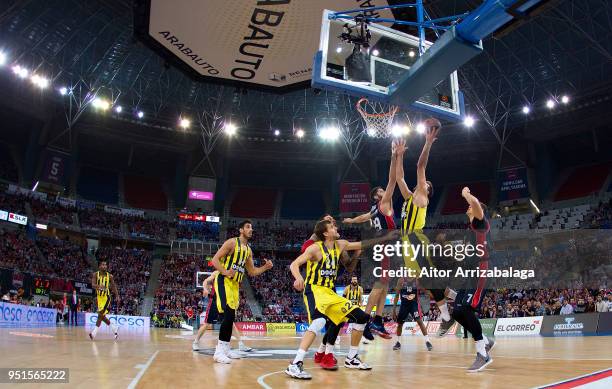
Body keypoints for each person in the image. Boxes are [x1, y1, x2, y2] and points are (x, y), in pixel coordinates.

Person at [285, 219, 396, 380]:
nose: (336, 227)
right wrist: (297, 278)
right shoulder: (315, 248)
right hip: (315, 290)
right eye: (332, 227)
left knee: (362, 317)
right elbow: (294, 264)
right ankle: (295, 364)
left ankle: (351, 358)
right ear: (325, 233)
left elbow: (362, 243)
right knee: (319, 322)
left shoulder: (340, 244)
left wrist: (384, 238)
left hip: (330, 293)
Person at [394, 122, 451, 328]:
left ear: (427, 190)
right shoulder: (409, 197)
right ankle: (450, 301)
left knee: (429, 278)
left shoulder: (422, 199)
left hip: (416, 239)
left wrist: (427, 143)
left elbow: (420, 166)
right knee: (425, 282)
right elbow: (399, 177)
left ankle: (446, 315)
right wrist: (399, 155)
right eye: (423, 182)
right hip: (406, 243)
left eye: (426, 183)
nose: (423, 182)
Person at [343, 142, 399, 339]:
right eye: (382, 190)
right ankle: (367, 320)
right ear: (378, 195)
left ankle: (377, 320)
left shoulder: (374, 210)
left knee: (384, 284)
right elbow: (393, 181)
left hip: (382, 247)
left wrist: (350, 220)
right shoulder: (383, 204)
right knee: (381, 283)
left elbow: (361, 218)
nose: (386, 191)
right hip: (384, 246)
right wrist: (395, 157)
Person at [437, 187, 495, 372]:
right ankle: (485, 341)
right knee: (457, 313)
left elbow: (476, 203)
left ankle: (482, 354)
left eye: (470, 206)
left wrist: (465, 194)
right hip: (470, 273)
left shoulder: (480, 223)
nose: (468, 207)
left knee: (465, 309)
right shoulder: (470, 230)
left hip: (481, 272)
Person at [210, 220, 273, 364]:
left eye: (252, 227)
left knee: (231, 317)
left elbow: (251, 272)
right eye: (248, 227)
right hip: (223, 280)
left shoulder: (248, 250)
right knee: (228, 314)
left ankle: (225, 349)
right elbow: (215, 260)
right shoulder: (231, 243)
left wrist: (265, 267)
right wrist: (225, 271)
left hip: (235, 285)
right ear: (241, 230)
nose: (251, 229)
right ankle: (218, 351)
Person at [192, 270, 252, 352]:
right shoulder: (217, 272)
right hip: (214, 301)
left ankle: (241, 344)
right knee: (206, 324)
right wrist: (205, 289)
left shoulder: (232, 273)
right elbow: (206, 281)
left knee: (231, 323)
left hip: (225, 301)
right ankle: (195, 342)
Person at [392, 277, 432, 351]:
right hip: (404, 305)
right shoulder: (401, 280)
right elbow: (397, 295)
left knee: (420, 321)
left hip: (413, 305)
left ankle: (428, 341)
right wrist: (394, 310)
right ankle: (398, 342)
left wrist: (435, 296)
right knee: (400, 324)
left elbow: (425, 290)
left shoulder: (417, 280)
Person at [89, 260, 120, 340]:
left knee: (100, 314)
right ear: (99, 266)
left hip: (106, 297)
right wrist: (99, 286)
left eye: (105, 265)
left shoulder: (110, 276)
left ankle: (93, 333)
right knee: (102, 316)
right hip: (99, 298)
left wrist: (117, 296)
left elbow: (113, 286)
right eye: (103, 265)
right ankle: (114, 328)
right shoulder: (95, 274)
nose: (104, 266)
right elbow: (92, 285)